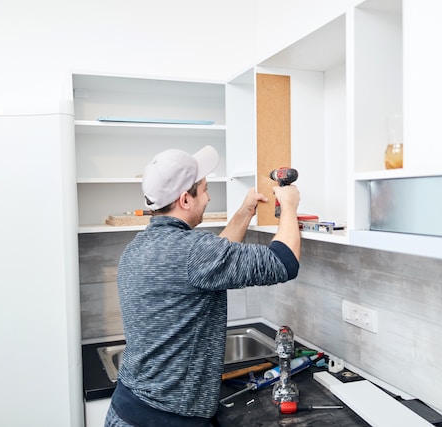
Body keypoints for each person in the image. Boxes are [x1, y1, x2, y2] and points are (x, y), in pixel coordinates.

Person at [105, 145, 301, 427]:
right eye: (205, 189)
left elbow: (212, 261)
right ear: (185, 199)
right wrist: (290, 207)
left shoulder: (137, 247)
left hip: (126, 410)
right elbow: (284, 262)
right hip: (168, 419)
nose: (208, 197)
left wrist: (245, 212)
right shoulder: (194, 251)